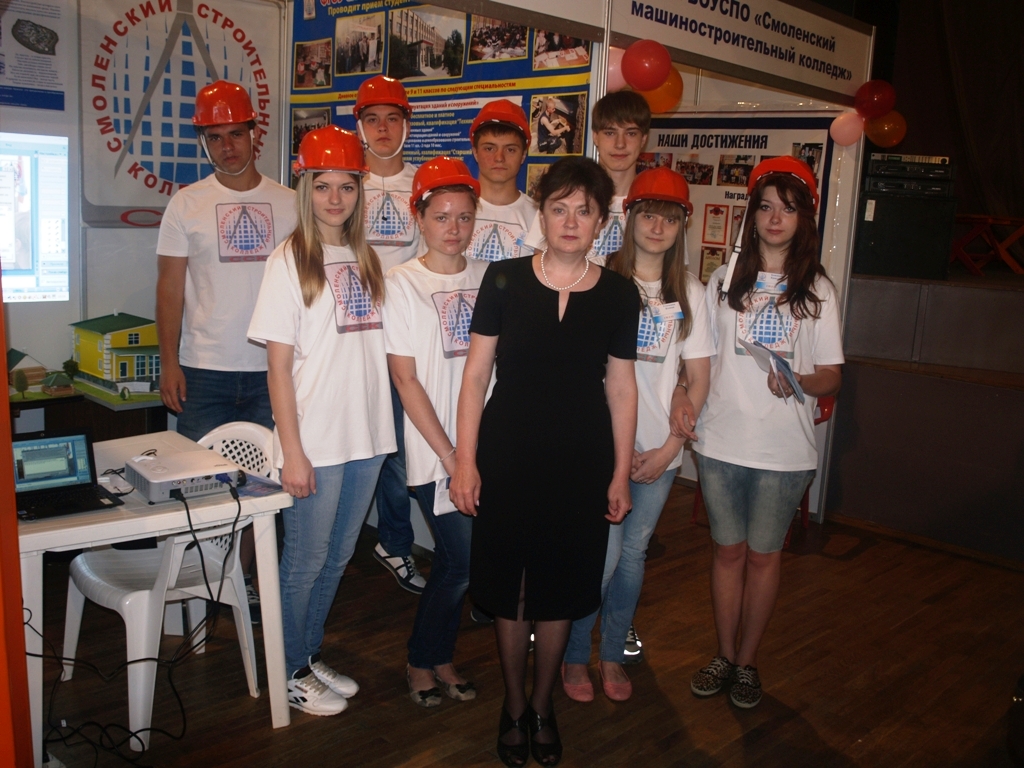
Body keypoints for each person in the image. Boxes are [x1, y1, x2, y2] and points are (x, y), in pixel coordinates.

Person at [451, 157, 639, 768]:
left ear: (601, 221)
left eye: (584, 211)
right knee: (511, 586)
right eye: (560, 208)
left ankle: (541, 705)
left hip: (582, 461)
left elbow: (622, 388)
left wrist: (619, 473)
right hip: (506, 455)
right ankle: (512, 705)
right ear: (543, 214)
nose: (571, 221)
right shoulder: (503, 278)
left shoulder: (619, 294)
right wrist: (464, 461)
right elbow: (475, 376)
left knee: (560, 586)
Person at [684, 156, 843, 709]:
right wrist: (682, 396)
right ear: (751, 215)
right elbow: (701, 360)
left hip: (784, 450)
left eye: (788, 209)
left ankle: (748, 662)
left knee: (763, 557)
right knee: (727, 553)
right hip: (720, 442)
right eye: (767, 207)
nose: (776, 218)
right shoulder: (724, 279)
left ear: (804, 220)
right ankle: (724, 655)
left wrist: (799, 378)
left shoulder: (818, 288)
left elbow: (832, 375)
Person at [247, 126, 395, 716]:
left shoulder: (366, 258)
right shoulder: (288, 260)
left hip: (368, 435)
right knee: (304, 562)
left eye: (347, 186)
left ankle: (306, 654)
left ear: (361, 191)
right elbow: (277, 369)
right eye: (323, 186)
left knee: (337, 558)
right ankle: (285, 668)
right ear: (305, 188)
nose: (336, 199)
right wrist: (293, 451)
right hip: (316, 440)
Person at [562, 167, 713, 702]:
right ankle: (573, 655)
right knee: (599, 558)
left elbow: (699, 377)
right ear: (629, 219)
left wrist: (670, 449)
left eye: (669, 218)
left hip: (659, 453)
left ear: (681, 226)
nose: (657, 226)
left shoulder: (691, 291)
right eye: (648, 214)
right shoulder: (597, 277)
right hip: (601, 447)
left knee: (632, 557)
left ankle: (610, 654)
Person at [156, 80, 296, 623]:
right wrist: (169, 361)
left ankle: (242, 582)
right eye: (214, 137)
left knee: (262, 491)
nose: (226, 147)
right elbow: (170, 288)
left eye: (235, 134)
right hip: (204, 370)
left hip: (272, 372)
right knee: (195, 488)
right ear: (204, 141)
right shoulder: (186, 204)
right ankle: (192, 586)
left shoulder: (290, 203)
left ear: (254, 134)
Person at [382, 157, 487, 708]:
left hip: (487, 445)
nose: (453, 228)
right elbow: (406, 379)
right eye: (441, 216)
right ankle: (422, 660)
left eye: (464, 217)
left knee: (458, 564)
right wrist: (451, 455)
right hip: (435, 449)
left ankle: (438, 657)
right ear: (418, 218)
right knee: (460, 561)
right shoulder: (401, 284)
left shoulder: (492, 278)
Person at [354, 75, 428, 594]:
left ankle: (396, 542)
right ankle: (375, 541)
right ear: (359, 126)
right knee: (364, 449)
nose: (383, 128)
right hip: (351, 340)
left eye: (393, 118)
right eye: (373, 119)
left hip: (405, 340)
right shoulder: (343, 180)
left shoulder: (423, 183)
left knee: (403, 450)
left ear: (406, 124)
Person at [527, 90, 650, 267]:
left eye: (631, 133)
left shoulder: (657, 201)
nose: (620, 144)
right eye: (610, 133)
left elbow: (672, 269)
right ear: (595, 136)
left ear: (644, 139)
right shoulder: (563, 193)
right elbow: (541, 267)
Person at [467, 99, 537, 262]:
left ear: (523, 156)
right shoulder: (453, 211)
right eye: (489, 148)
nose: (499, 158)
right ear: (475, 153)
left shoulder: (538, 217)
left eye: (510, 149)